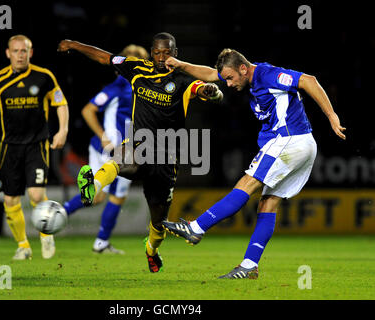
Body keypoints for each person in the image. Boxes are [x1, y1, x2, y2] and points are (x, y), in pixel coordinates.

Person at [162, 48, 346, 279]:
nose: (227, 85)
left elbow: (309, 80)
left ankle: (196, 228)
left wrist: (331, 116)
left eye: (229, 78)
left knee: (247, 183)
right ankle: (249, 266)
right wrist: (180, 64)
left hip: (289, 139)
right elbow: (209, 74)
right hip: (302, 144)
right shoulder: (245, 73)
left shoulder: (266, 74)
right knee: (267, 204)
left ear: (243, 69)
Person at [58, 32, 223, 272]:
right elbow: (105, 57)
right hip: (140, 144)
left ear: (175, 54)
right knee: (121, 158)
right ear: (152, 51)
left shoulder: (183, 79)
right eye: (157, 52)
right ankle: (92, 186)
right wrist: (74, 44)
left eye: (166, 53)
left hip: (167, 156)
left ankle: (151, 250)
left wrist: (211, 92)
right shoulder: (136, 68)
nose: (161, 57)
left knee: (158, 223)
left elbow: (207, 89)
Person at [0, 34, 69, 260]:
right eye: (16, 51)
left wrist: (62, 130)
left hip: (37, 144)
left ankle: (46, 235)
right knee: (10, 200)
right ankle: (23, 246)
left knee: (35, 194)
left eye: (24, 51)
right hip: (10, 148)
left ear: (31, 53)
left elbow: (60, 103)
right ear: (8, 53)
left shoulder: (44, 76)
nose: (20, 55)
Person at [64, 44, 149, 254]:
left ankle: (59, 213)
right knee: (115, 196)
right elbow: (87, 110)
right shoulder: (120, 87)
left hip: (123, 149)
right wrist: (103, 136)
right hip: (112, 148)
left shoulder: (137, 87)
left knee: (97, 196)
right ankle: (98, 240)